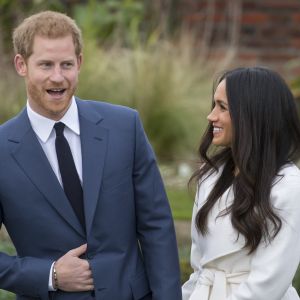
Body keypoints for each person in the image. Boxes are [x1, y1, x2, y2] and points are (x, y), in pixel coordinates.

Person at [0, 10, 182, 300]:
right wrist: (51, 275)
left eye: (67, 64)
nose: (58, 77)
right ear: (21, 64)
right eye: (46, 65)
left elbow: (156, 225)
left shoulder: (125, 126)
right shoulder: (2, 150)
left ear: (80, 63)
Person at [182, 66, 300, 300]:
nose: (211, 116)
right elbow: (199, 269)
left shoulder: (288, 185)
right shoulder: (210, 175)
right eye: (213, 105)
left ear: (252, 114)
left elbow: (268, 283)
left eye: (222, 107)